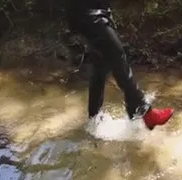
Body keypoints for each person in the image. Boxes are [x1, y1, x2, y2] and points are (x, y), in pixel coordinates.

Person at [65, 0, 174, 130]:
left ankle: (94, 121)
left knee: (102, 62)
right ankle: (144, 110)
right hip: (89, 14)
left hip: (96, 11)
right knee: (117, 55)